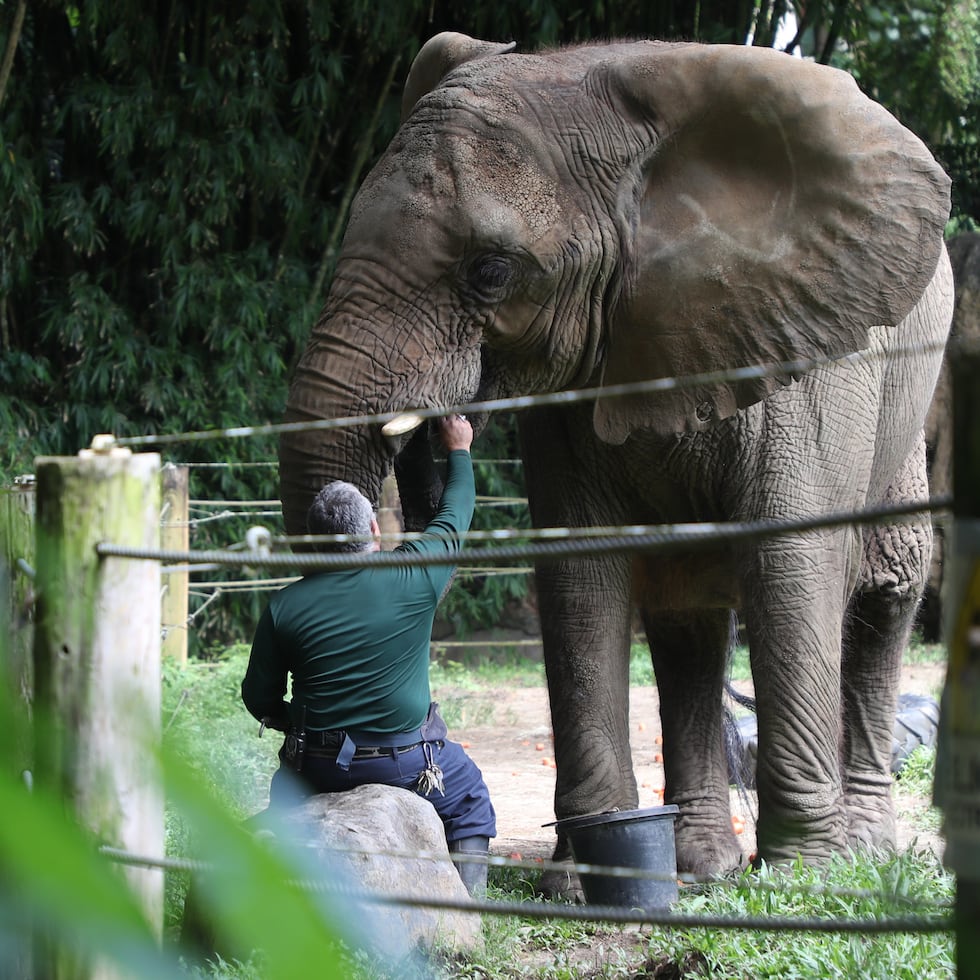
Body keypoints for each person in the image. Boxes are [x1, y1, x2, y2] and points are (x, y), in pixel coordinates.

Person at [241, 414, 496, 895]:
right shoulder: (415, 575)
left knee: (281, 805)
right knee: (469, 798)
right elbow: (455, 512)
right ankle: (469, 910)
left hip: (314, 767)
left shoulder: (284, 605)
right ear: (375, 529)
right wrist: (459, 448)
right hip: (405, 761)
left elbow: (258, 698)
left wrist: (293, 720)